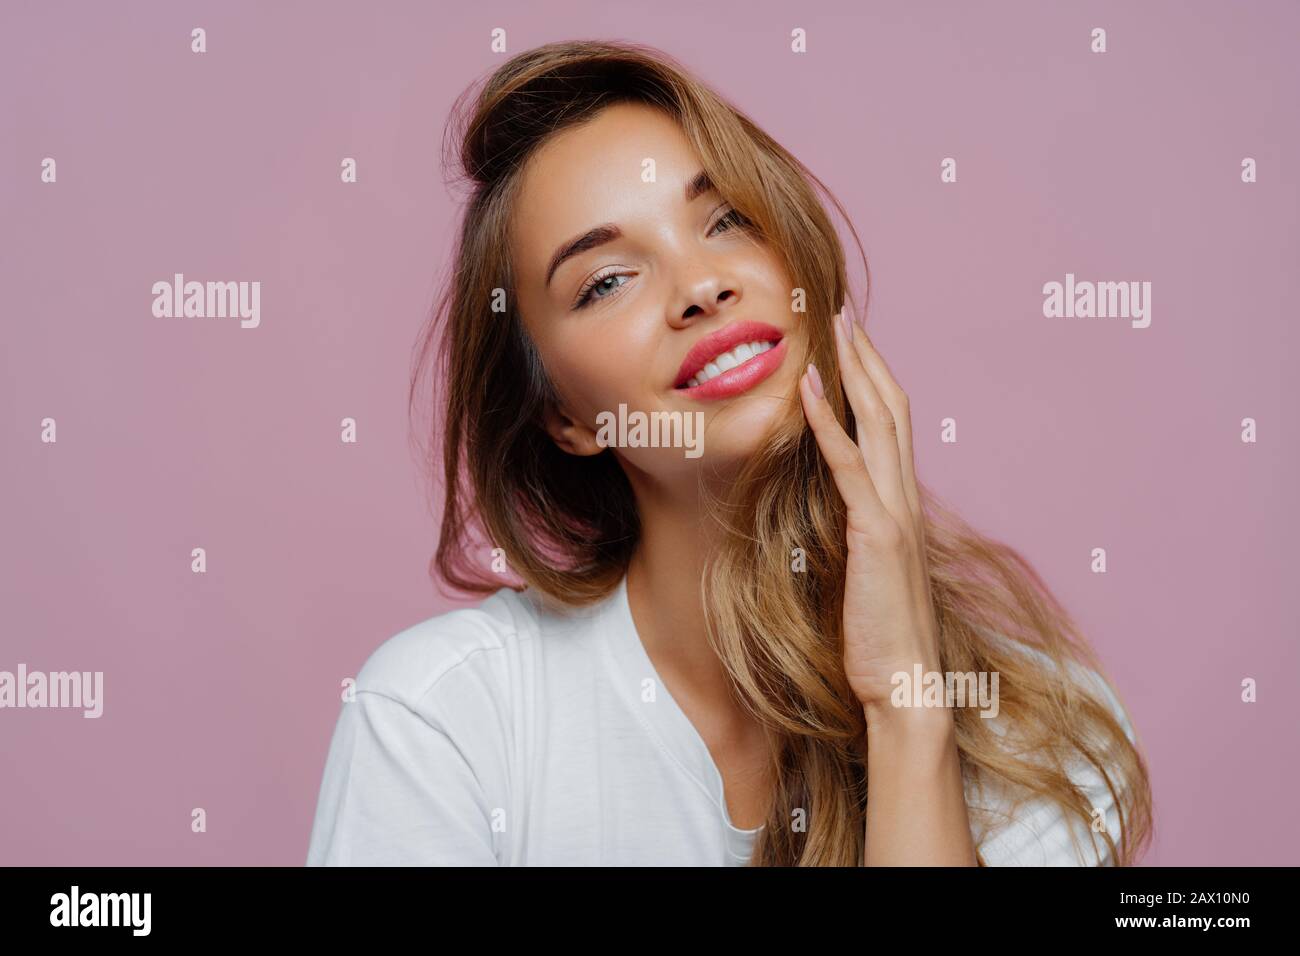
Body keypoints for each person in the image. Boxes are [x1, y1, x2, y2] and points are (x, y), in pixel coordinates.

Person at [306, 39, 1152, 867]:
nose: (701, 287)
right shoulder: (441, 723)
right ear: (564, 416)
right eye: (606, 281)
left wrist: (906, 710)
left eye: (727, 220)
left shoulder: (1044, 739)